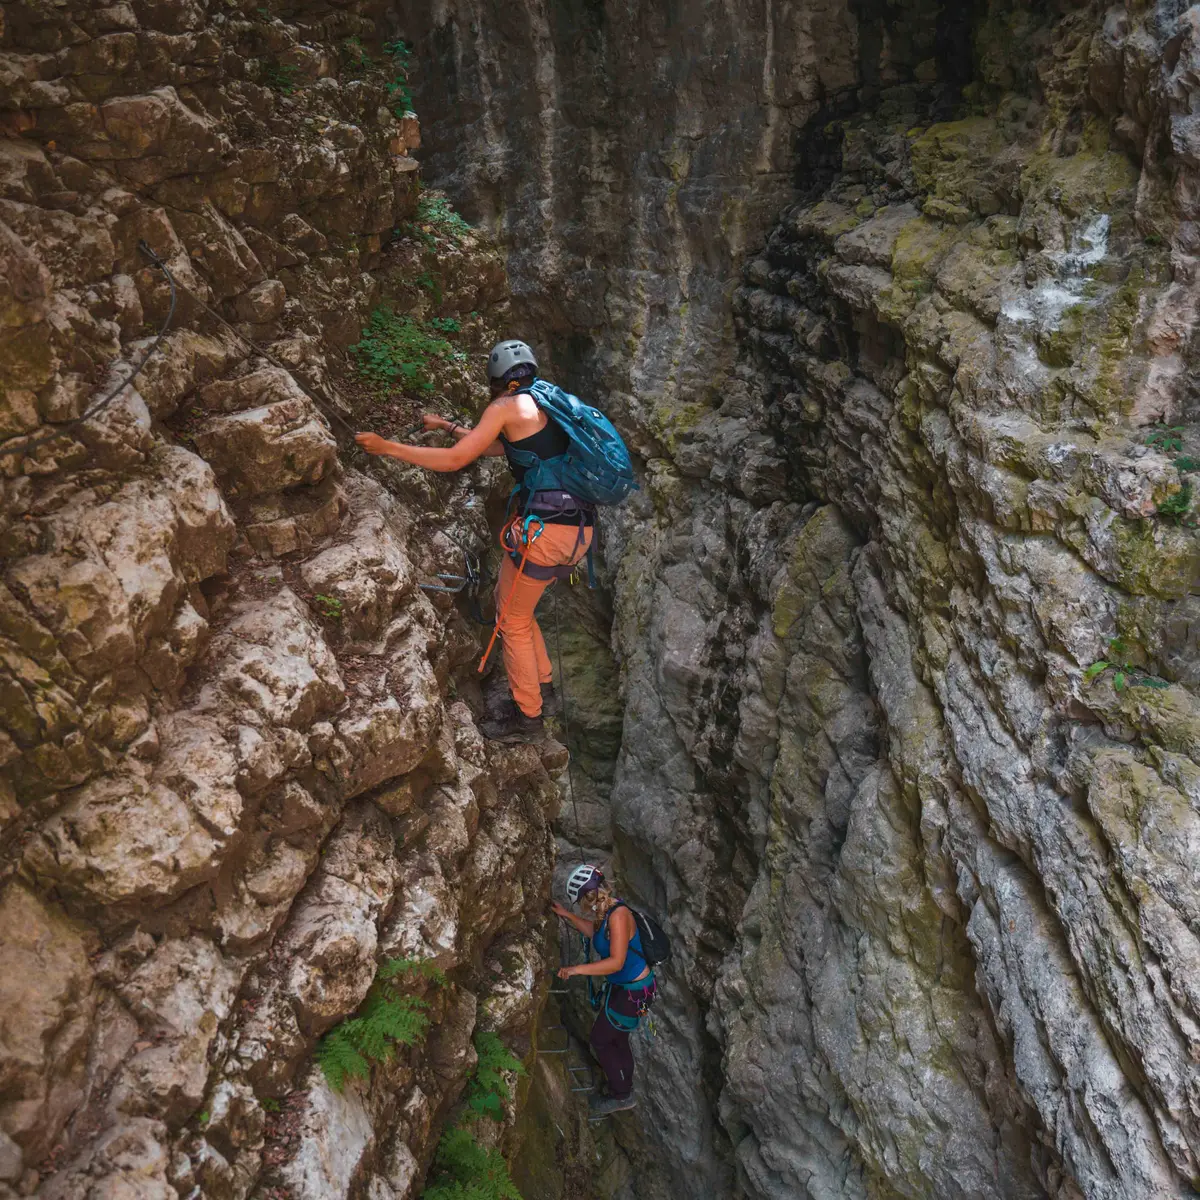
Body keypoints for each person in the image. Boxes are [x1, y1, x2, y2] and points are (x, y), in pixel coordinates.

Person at [355, 339, 593, 742]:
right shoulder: (547, 403)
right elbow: (502, 447)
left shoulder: (503, 406)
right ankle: (545, 689)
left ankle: (528, 717)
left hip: (545, 532)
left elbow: (455, 460)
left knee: (512, 621)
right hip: (578, 529)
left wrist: (388, 448)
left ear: (497, 381)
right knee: (517, 608)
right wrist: (448, 427)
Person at [551, 863, 657, 1114]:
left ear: (587, 897)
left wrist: (576, 969)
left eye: (580, 904)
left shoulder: (618, 915)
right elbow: (596, 935)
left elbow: (616, 961)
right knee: (617, 1038)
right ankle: (623, 1086)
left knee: (600, 1039)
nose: (582, 908)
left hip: (635, 992)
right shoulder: (606, 911)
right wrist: (568, 917)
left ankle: (622, 1095)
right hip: (628, 989)